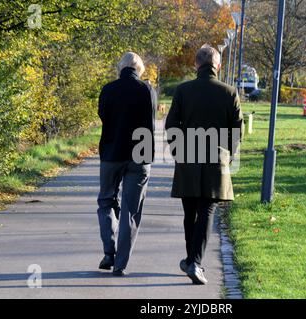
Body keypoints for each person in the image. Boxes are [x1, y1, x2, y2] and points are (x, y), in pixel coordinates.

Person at [165, 45, 243, 285]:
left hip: (188, 156)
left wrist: (178, 150)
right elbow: (236, 130)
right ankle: (195, 263)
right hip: (215, 159)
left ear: (196, 64)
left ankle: (191, 260)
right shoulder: (229, 92)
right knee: (207, 210)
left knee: (190, 212)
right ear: (217, 66)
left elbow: (171, 124)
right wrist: (228, 155)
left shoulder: (183, 90)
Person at [97, 52, 157, 276]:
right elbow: (151, 122)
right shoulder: (147, 90)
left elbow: (103, 115)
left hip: (111, 153)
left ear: (120, 67)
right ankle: (120, 264)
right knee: (131, 209)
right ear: (139, 69)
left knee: (106, 201)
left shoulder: (108, 90)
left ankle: (108, 251)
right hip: (139, 156)